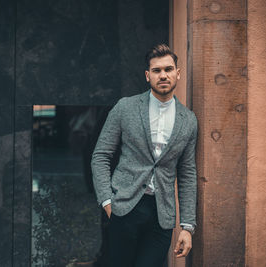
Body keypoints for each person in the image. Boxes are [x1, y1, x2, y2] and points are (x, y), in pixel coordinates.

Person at [91, 44, 197, 267]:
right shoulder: (125, 108)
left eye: (168, 69)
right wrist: (107, 201)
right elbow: (100, 155)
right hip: (124, 207)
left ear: (177, 73)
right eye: (157, 71)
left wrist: (187, 226)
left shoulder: (188, 120)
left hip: (162, 216)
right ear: (148, 76)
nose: (163, 75)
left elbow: (187, 174)